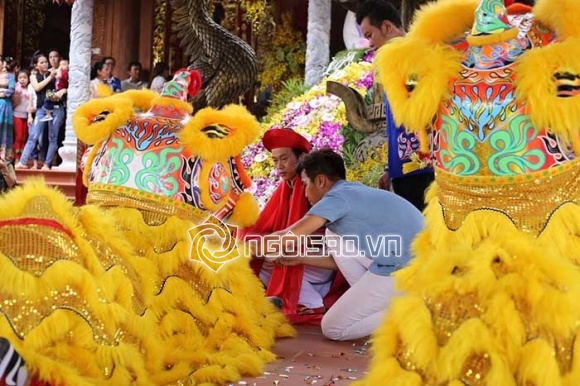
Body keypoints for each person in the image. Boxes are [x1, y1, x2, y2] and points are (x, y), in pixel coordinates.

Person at [255, 148, 425, 340]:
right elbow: (344, 257)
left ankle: (412, 311)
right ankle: (397, 305)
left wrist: (240, 249)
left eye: (305, 184)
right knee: (332, 233)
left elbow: (288, 236)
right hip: (416, 265)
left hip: (403, 271)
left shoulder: (336, 198)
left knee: (333, 328)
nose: (304, 194)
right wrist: (302, 258)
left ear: (320, 181)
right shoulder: (353, 191)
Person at [238, 129, 349, 324]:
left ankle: (310, 302)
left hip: (325, 257)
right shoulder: (286, 186)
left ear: (301, 158)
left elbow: (297, 234)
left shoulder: (312, 184)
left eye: (284, 159)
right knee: (261, 258)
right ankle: (308, 295)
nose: (279, 166)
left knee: (272, 257)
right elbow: (268, 226)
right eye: (275, 160)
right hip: (302, 249)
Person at [356, 0, 435, 211]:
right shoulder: (393, 62)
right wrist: (390, 168)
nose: (370, 44)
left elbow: (425, 113)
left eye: (370, 35)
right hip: (405, 168)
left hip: (422, 168)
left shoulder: (413, 56)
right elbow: (396, 125)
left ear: (387, 27)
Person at [0, 57, 16, 161]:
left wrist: (2, 93)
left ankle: (3, 155)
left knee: (4, 127)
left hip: (5, 104)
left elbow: (11, 89)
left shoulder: (9, 76)